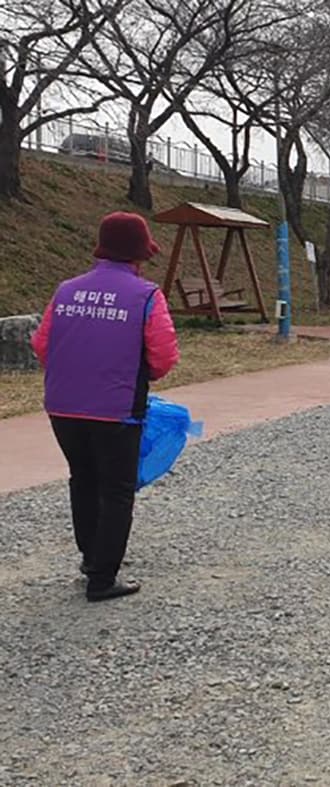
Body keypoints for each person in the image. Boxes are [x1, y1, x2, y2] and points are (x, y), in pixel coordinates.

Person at [29, 212, 180, 601]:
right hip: (117, 409)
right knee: (116, 489)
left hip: (62, 407)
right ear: (138, 254)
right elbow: (163, 356)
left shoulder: (66, 291)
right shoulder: (146, 296)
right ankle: (102, 577)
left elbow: (42, 345)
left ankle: (89, 556)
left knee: (83, 478)